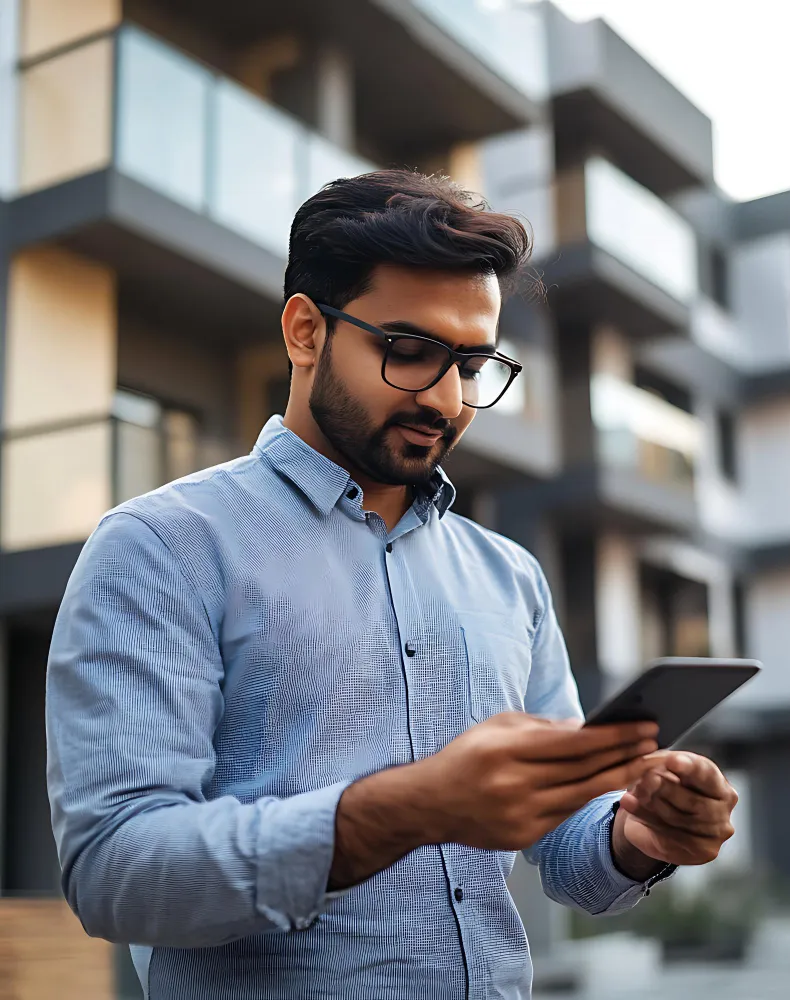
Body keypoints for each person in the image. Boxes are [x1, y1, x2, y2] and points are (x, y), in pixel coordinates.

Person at [46, 170, 738, 999]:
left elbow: (566, 849)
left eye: (473, 364)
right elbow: (116, 874)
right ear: (305, 331)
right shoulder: (162, 548)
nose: (445, 399)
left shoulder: (508, 577)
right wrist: (407, 808)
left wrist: (639, 833)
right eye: (409, 353)